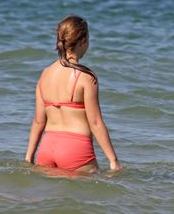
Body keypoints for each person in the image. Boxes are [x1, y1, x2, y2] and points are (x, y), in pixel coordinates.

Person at [25, 15, 121, 172]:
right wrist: (113, 160)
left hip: (47, 148)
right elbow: (95, 123)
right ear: (83, 42)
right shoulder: (85, 77)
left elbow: (38, 122)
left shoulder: (45, 74)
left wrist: (29, 156)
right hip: (75, 149)